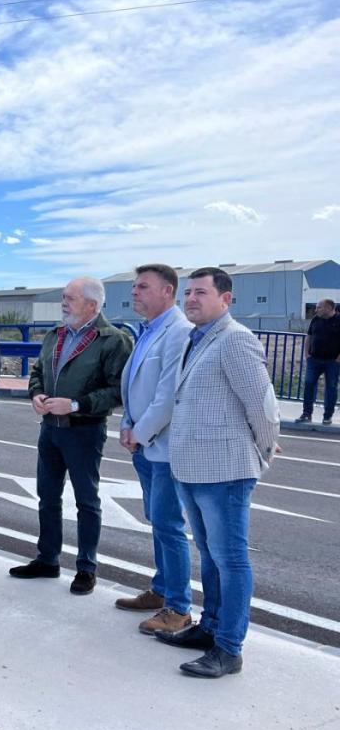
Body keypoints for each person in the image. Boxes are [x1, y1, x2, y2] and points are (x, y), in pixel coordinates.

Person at [156, 267, 279, 678]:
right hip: (191, 468)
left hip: (225, 470)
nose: (190, 299)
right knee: (208, 557)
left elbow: (262, 407)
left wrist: (261, 452)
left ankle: (229, 648)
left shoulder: (236, 340)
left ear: (225, 299)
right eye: (187, 293)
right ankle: (209, 628)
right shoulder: (198, 339)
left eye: (201, 293)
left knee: (231, 560)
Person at [10, 277, 132, 595]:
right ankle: (48, 559)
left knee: (86, 501)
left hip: (85, 432)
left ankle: (86, 568)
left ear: (92, 305)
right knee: (47, 497)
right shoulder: (56, 334)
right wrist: (36, 394)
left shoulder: (113, 340)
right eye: (64, 297)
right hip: (50, 429)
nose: (64, 302)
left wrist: (76, 405)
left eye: (70, 298)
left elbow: (119, 390)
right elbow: (37, 371)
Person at [115, 264, 194, 635]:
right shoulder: (149, 331)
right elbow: (134, 384)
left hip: (163, 446)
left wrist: (139, 432)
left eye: (143, 287)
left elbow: (167, 396)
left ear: (167, 291)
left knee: (168, 524)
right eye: (134, 286)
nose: (134, 292)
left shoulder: (179, 332)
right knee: (158, 522)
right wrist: (127, 424)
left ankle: (178, 607)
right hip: (145, 444)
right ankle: (161, 590)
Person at [296, 297, 339, 425]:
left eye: (319, 307)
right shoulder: (316, 319)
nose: (316, 309)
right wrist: (306, 354)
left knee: (331, 387)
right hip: (314, 360)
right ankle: (306, 414)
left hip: (332, 361)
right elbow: (309, 337)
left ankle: (327, 416)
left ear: (329, 308)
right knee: (309, 384)